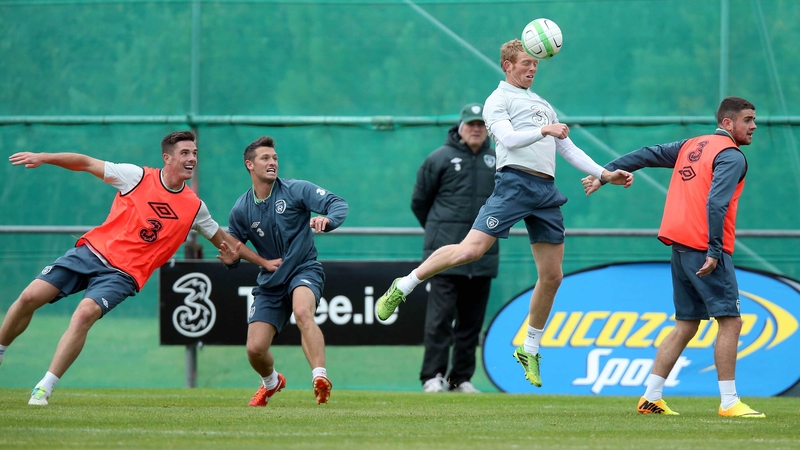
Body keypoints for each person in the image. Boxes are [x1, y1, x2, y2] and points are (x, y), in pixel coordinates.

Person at [376, 39, 633, 388]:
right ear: (507, 65)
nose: (532, 68)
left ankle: (529, 348)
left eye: (536, 64)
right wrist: (543, 130)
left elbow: (567, 147)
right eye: (525, 62)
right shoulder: (497, 100)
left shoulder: (543, 104)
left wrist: (605, 174)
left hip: (545, 191)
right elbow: (509, 141)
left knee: (553, 275)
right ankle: (404, 285)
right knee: (470, 251)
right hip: (513, 184)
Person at [0, 131, 268, 406]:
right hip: (91, 253)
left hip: (123, 275)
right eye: (185, 153)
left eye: (195, 153)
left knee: (84, 314)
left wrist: (263, 262)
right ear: (167, 158)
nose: (192, 159)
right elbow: (85, 162)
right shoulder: (136, 177)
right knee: (29, 297)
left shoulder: (195, 208)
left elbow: (228, 243)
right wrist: (43, 157)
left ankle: (44, 388)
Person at [582, 96, 765, 418]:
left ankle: (651, 397)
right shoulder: (731, 155)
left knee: (685, 324)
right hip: (703, 246)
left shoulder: (692, 145)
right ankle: (730, 402)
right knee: (731, 321)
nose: (753, 126)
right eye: (747, 119)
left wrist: (604, 173)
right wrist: (714, 249)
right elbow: (716, 204)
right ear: (727, 123)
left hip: (679, 244)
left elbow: (646, 154)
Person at [217, 136, 348, 406]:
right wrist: (232, 261)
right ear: (249, 165)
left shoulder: (296, 190)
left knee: (302, 311)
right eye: (265, 158)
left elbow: (338, 204)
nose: (272, 162)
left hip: (304, 268)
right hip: (270, 282)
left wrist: (328, 219)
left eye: (275, 158)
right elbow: (236, 247)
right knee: (255, 349)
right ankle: (272, 382)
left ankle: (319, 378)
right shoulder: (241, 209)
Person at [412, 103, 499, 393]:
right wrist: (440, 233)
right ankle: (432, 377)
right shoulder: (439, 158)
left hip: (482, 257)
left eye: (481, 124)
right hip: (444, 256)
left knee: (471, 324)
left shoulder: (498, 159)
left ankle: (458, 379)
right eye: (471, 124)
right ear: (460, 128)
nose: (476, 129)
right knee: (439, 320)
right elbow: (420, 202)